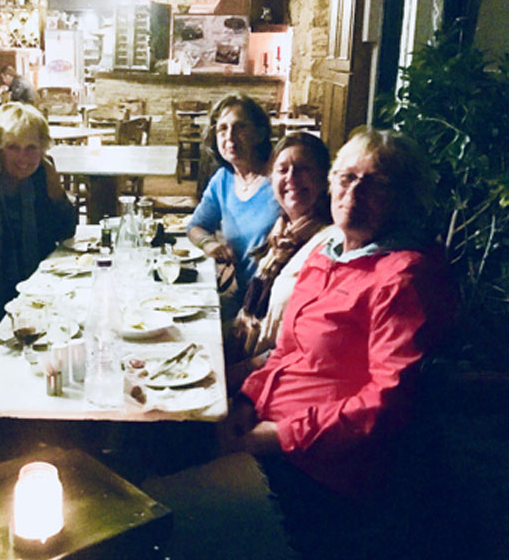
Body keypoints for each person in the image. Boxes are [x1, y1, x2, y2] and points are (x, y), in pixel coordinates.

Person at [220, 127, 454, 509]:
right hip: (267, 427)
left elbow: (385, 403)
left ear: (405, 198)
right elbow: (287, 353)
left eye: (375, 183)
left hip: (323, 469)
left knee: (164, 498)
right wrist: (247, 400)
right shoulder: (327, 255)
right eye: (346, 178)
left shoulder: (404, 278)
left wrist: (276, 436)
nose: (354, 192)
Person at [224, 132, 333, 392]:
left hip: (274, 377)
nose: (291, 178)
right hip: (247, 352)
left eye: (303, 169)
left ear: (324, 179)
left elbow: (304, 344)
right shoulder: (281, 234)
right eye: (283, 169)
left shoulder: (329, 244)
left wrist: (238, 373)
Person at [0, 102, 77, 321]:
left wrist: (56, 190)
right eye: (12, 147)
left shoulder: (40, 176)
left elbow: (66, 231)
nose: (23, 158)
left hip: (42, 288)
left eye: (31, 148)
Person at [187, 94, 280, 315]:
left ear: (260, 133)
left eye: (240, 127)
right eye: (222, 129)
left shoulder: (280, 180)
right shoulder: (223, 179)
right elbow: (195, 227)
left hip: (272, 303)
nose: (230, 137)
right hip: (244, 296)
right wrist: (209, 244)